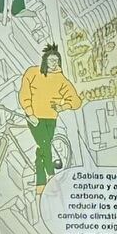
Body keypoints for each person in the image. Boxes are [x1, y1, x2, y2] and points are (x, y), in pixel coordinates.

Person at [20, 45, 83, 187]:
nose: (54, 63)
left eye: (57, 60)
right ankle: (51, 175)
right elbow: (24, 93)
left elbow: (76, 101)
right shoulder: (32, 72)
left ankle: (40, 184)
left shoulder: (61, 79)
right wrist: (30, 112)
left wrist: (62, 106)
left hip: (51, 119)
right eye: (51, 60)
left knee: (42, 149)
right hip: (34, 118)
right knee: (44, 145)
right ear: (45, 60)